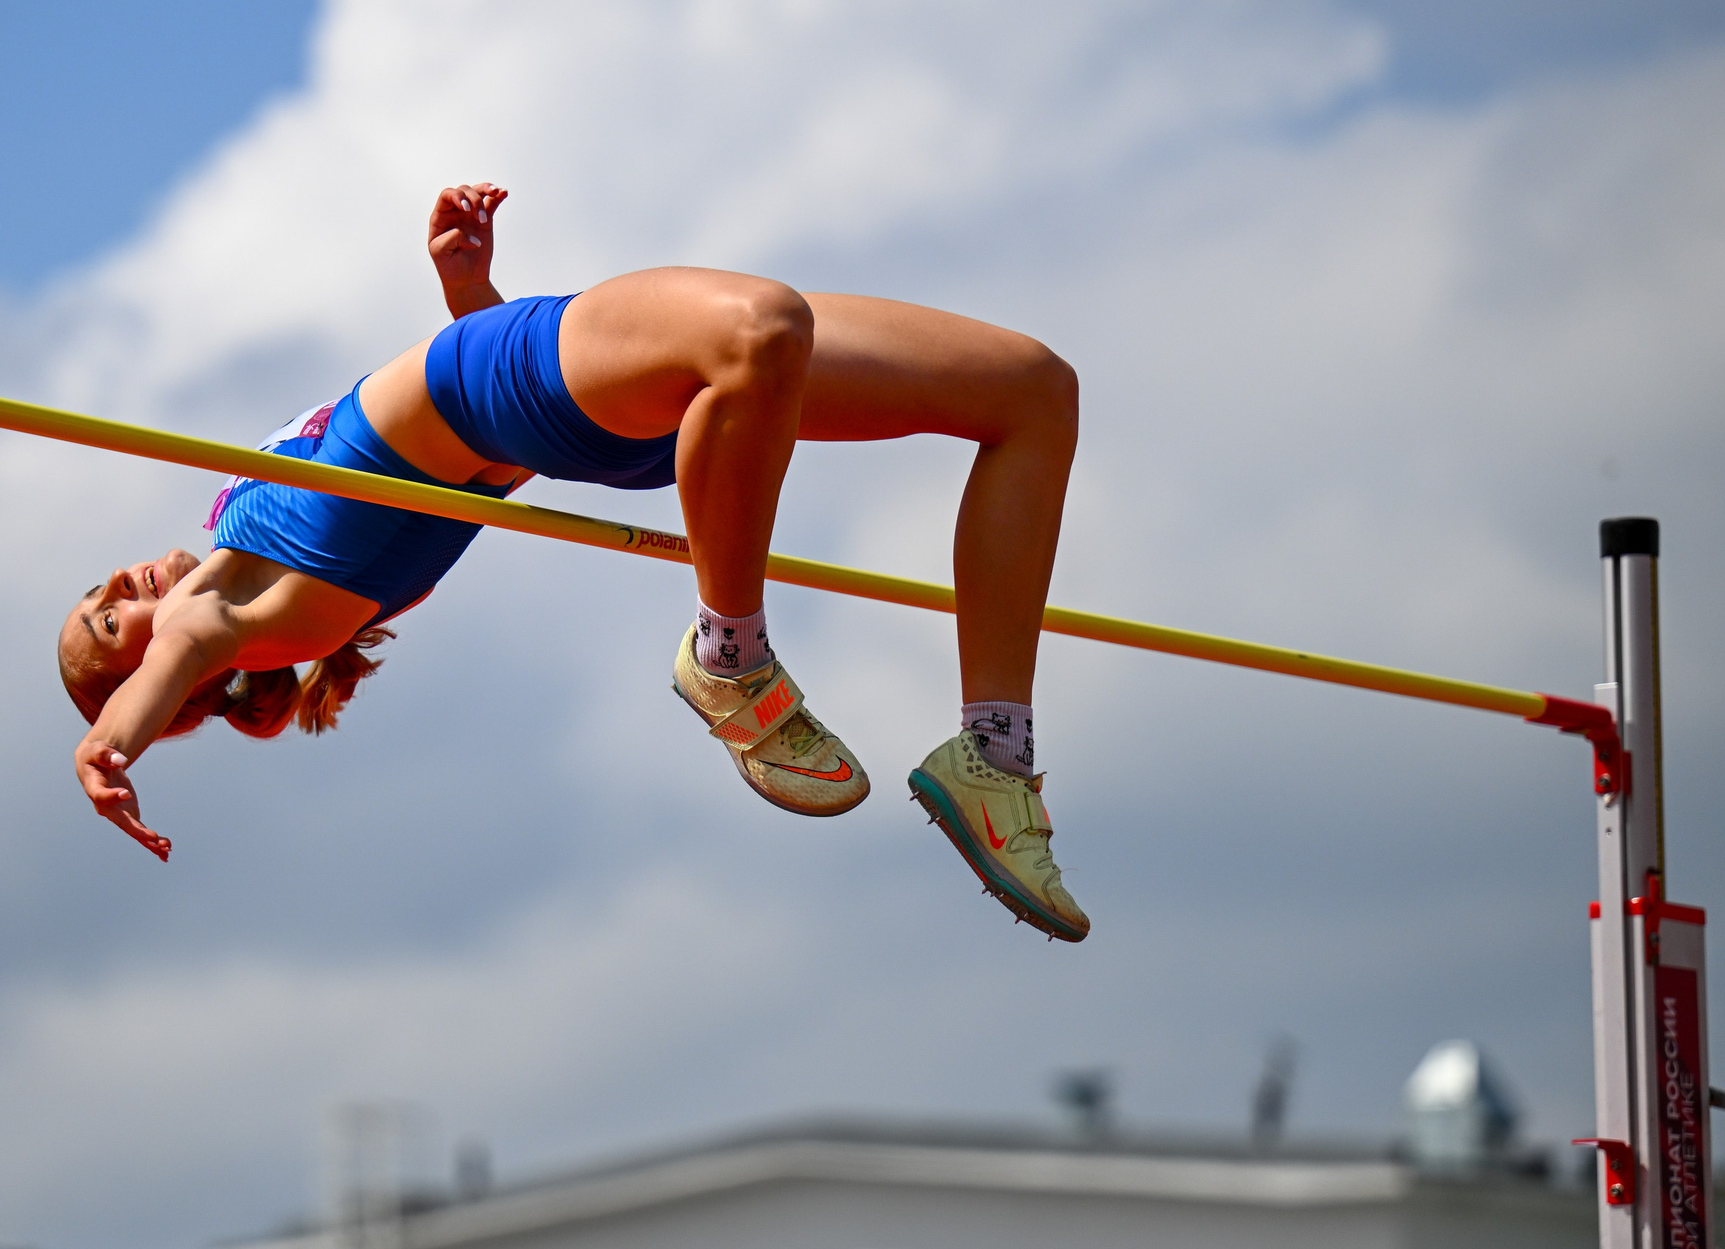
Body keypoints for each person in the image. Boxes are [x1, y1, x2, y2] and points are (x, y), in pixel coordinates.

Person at [60, 183, 1087, 938]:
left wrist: (471, 295)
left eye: (96, 588)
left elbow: (483, 465)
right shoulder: (232, 606)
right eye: (108, 621)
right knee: (765, 323)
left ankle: (993, 755)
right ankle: (730, 658)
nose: (118, 586)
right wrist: (108, 749)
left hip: (573, 404)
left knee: (1030, 391)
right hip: (521, 382)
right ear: (183, 690)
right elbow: (175, 656)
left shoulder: (274, 556)